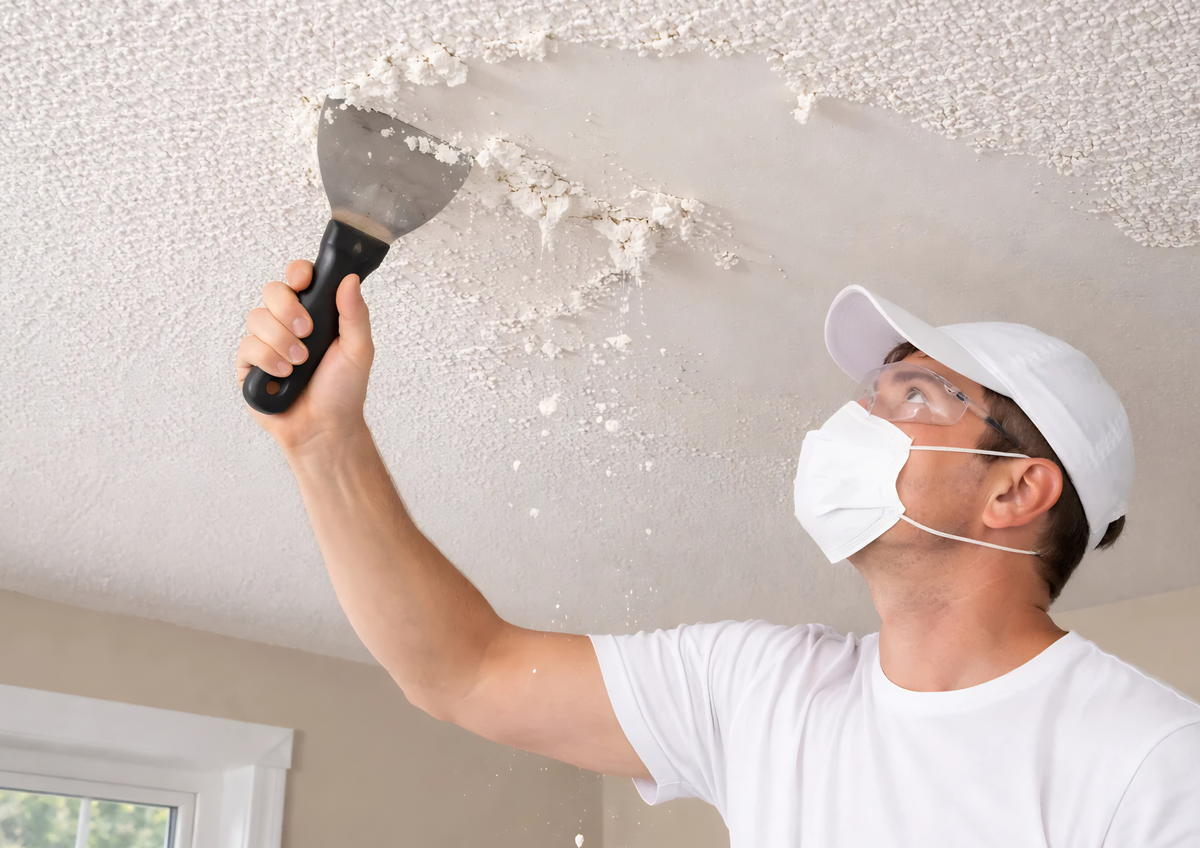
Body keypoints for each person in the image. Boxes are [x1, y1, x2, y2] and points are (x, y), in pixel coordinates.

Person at [237, 263, 1200, 845]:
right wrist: (325, 442)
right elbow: (466, 670)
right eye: (874, 391)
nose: (859, 416)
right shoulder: (759, 690)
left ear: (1014, 489)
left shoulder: (1150, 761)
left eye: (914, 396)